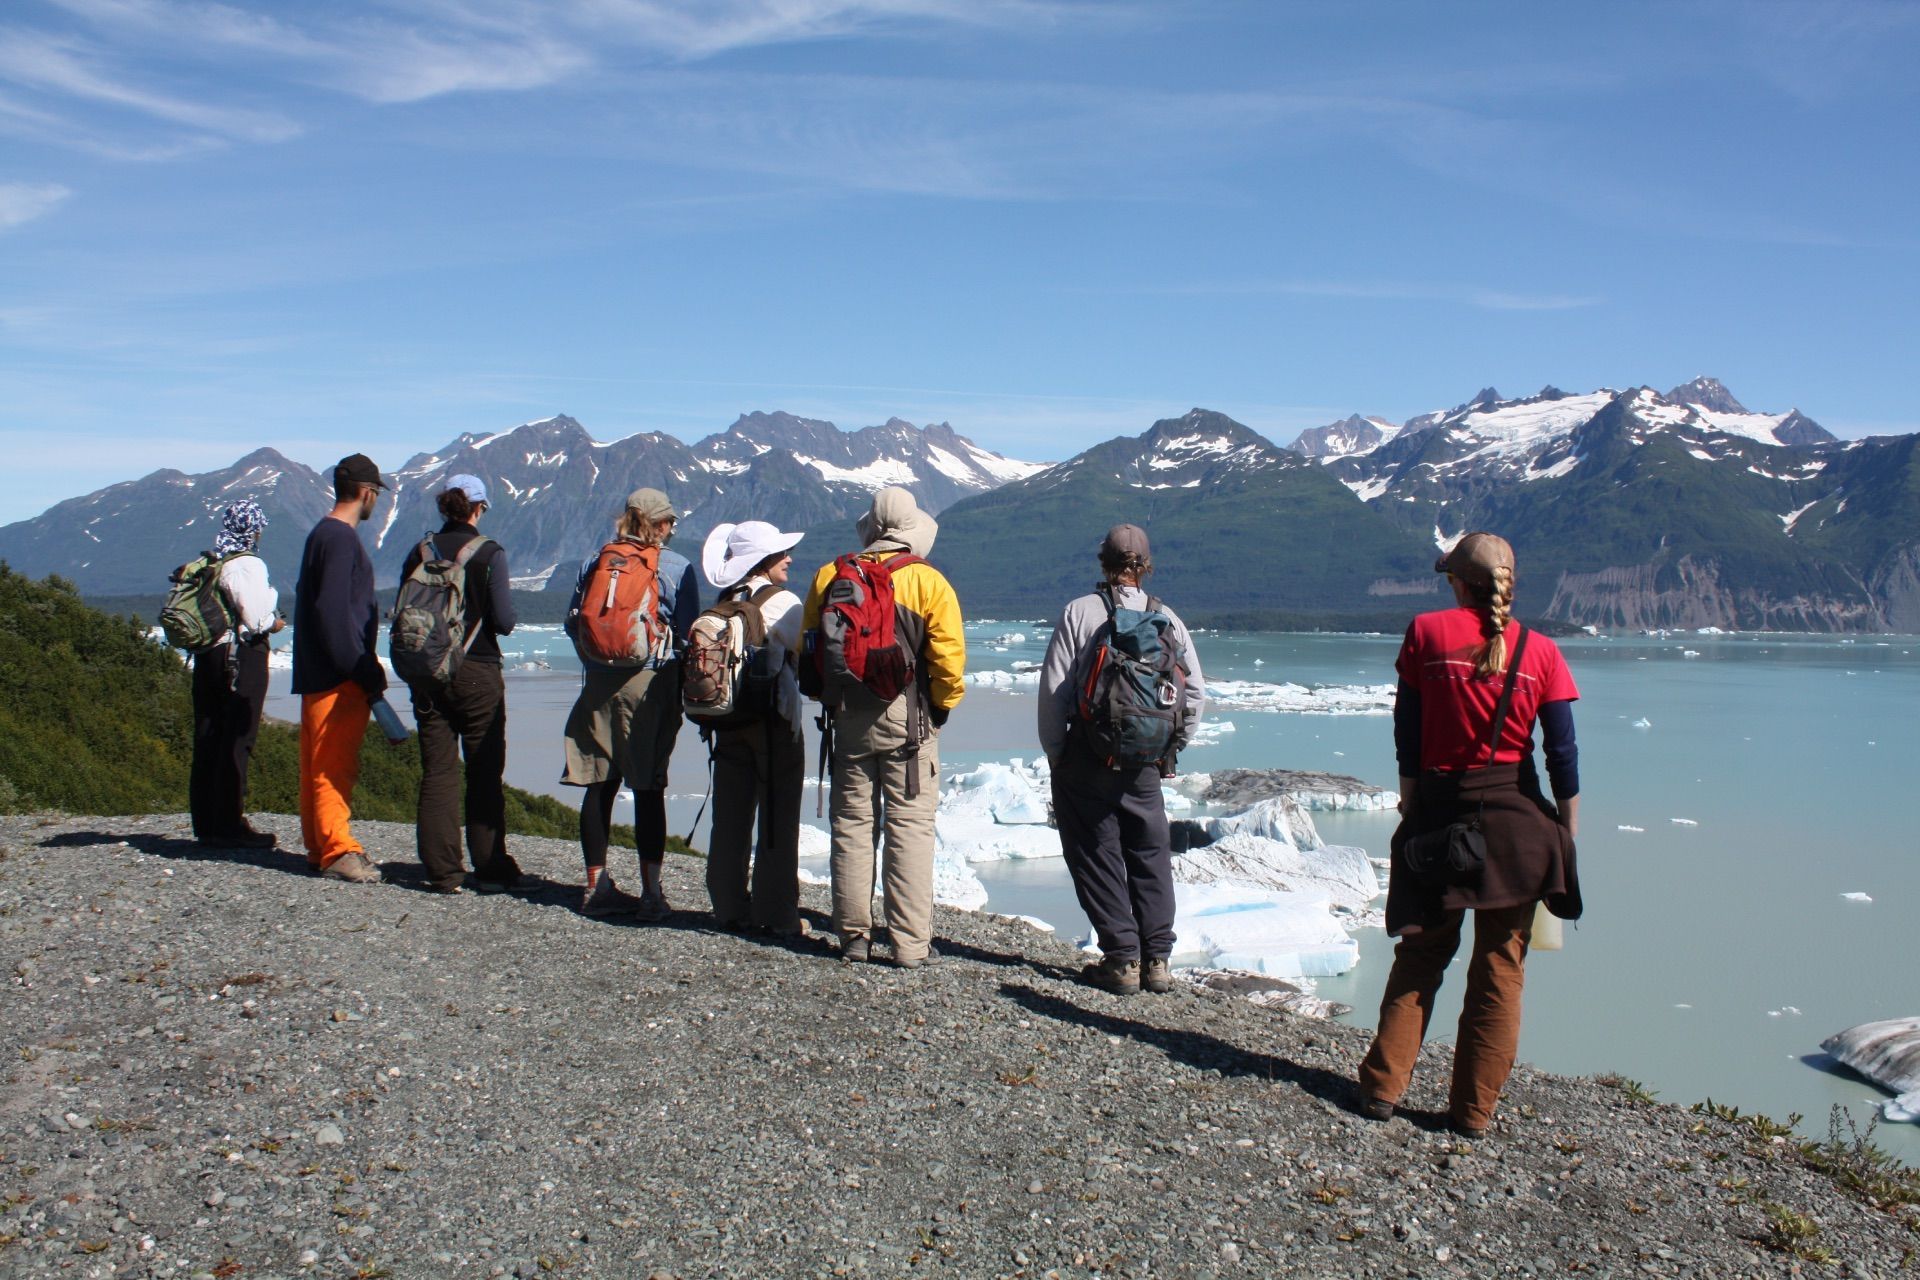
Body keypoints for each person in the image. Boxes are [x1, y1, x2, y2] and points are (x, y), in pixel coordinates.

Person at [1356, 531, 1583, 1139]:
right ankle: (1473, 1112)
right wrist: (1566, 833)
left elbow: (1408, 725)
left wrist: (1412, 796)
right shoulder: (1541, 650)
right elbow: (1562, 753)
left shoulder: (1427, 633)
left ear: (1457, 582)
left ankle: (1382, 1088)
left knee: (1423, 955)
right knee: (1500, 970)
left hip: (1439, 817)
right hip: (1519, 827)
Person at [1037, 523, 1205, 995]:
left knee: (1096, 852)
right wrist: (1170, 747)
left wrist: (1058, 753)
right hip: (1146, 762)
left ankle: (1121, 959)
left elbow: (1054, 691)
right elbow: (1194, 692)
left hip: (1087, 756)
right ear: (1145, 566)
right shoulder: (1166, 618)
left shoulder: (1080, 612)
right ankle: (1158, 961)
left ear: (1103, 562)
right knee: (1150, 852)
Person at [801, 486, 965, 969]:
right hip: (908, 717)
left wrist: (834, 697)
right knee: (909, 826)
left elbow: (808, 652)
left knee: (851, 824)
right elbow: (949, 663)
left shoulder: (831, 575)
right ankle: (911, 945)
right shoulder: (928, 582)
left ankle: (853, 937)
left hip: (848, 716)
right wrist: (940, 709)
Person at [562, 487, 700, 918]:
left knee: (598, 784)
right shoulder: (675, 567)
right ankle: (652, 894)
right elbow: (689, 634)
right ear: (659, 524)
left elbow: (573, 621)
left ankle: (594, 887)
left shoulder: (596, 561)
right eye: (671, 523)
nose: (673, 530)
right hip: (649, 687)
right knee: (647, 786)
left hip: (597, 684)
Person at [399, 474, 522, 895]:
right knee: (484, 770)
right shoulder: (489, 552)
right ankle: (490, 868)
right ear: (479, 508)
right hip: (477, 669)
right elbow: (503, 620)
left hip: (428, 672)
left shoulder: (420, 550)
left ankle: (442, 870)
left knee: (437, 771)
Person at [699, 521, 807, 935]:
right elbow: (805, 649)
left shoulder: (725, 599)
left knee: (729, 817)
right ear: (765, 561)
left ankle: (727, 905)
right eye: (782, 555)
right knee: (778, 817)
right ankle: (776, 913)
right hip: (775, 724)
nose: (789, 560)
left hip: (726, 721)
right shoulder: (783, 603)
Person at [292, 454, 389, 884]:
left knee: (316, 764)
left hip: (317, 670)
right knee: (334, 766)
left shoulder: (320, 535)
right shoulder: (342, 539)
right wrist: (359, 667)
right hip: (339, 674)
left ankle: (319, 846)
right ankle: (337, 850)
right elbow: (333, 610)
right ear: (368, 492)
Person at [190, 499, 284, 848]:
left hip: (209, 656)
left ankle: (206, 822)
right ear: (252, 529)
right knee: (237, 738)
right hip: (240, 658)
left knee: (208, 736)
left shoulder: (213, 561)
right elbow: (258, 619)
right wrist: (276, 621)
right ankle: (230, 824)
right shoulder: (247, 564)